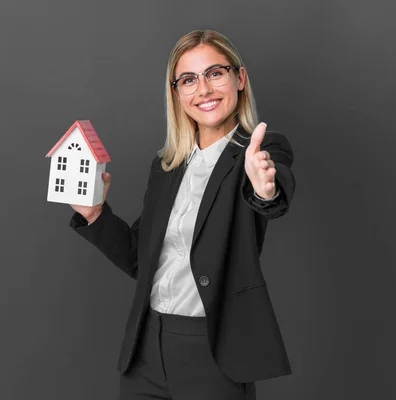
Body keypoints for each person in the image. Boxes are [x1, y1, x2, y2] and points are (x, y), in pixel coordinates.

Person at [69, 29, 296, 400]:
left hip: (213, 351)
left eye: (215, 73)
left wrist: (265, 187)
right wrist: (96, 215)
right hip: (146, 350)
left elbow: (273, 191)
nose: (203, 89)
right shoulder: (166, 166)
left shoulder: (261, 150)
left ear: (239, 79)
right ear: (176, 93)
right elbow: (141, 261)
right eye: (188, 79)